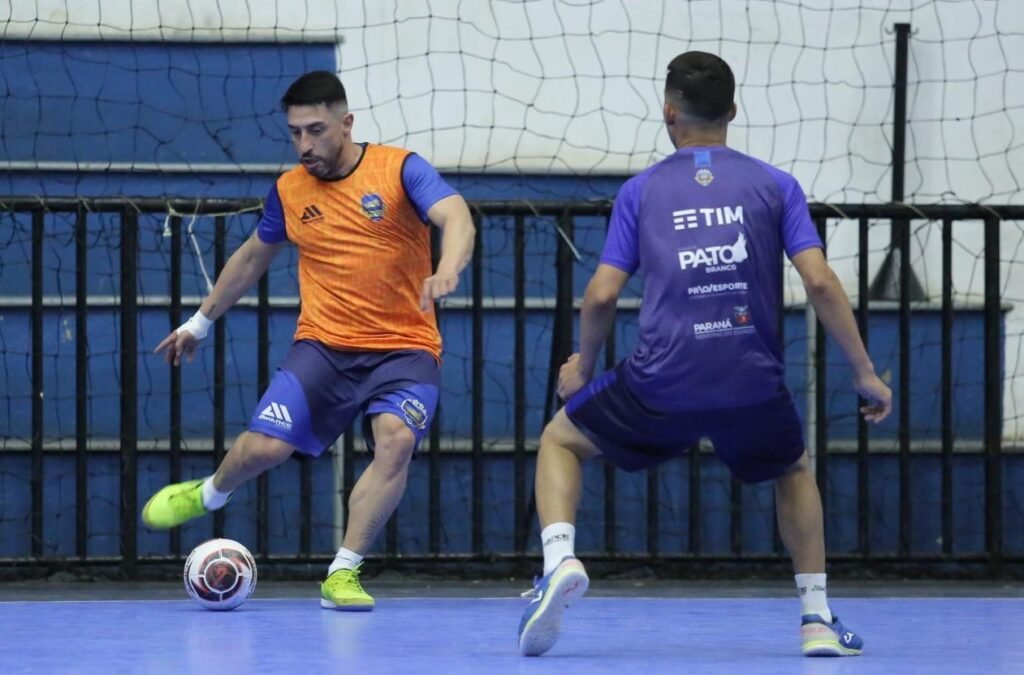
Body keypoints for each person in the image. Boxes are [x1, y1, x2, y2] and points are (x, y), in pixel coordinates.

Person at [516, 52, 892, 657]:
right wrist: (866, 373)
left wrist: (582, 366)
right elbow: (820, 283)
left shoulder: (642, 191)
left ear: (669, 113)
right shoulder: (776, 185)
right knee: (792, 469)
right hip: (750, 381)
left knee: (561, 441)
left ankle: (559, 560)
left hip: (661, 380)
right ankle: (816, 617)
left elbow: (603, 292)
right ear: (733, 111)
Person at [142, 70, 475, 611]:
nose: (304, 145)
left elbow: (455, 214)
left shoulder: (400, 169)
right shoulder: (289, 189)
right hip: (323, 346)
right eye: (295, 132)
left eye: (316, 130)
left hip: (405, 348)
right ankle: (209, 493)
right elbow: (252, 256)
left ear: (346, 123)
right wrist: (198, 322)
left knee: (396, 440)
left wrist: (450, 267)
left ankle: (343, 573)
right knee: (267, 447)